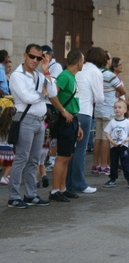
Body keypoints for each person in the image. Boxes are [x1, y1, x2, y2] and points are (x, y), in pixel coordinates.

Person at [8, 44, 58, 208]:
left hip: (39, 120)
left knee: (34, 160)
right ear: (25, 55)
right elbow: (26, 97)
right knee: (21, 158)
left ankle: (30, 194)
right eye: (32, 56)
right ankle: (13, 197)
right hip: (25, 119)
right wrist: (42, 94)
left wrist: (46, 72)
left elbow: (52, 93)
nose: (35, 60)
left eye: (39, 58)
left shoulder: (39, 75)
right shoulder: (17, 75)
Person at [66, 47, 105, 194]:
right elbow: (100, 98)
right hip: (84, 112)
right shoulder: (95, 72)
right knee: (80, 150)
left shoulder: (77, 70)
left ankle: (68, 183)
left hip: (70, 111)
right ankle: (79, 183)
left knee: (70, 150)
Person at [48, 50, 84, 202]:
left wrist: (78, 125)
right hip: (66, 120)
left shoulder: (71, 76)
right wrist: (63, 111)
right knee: (62, 156)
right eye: (83, 60)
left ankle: (62, 188)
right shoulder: (64, 76)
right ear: (78, 62)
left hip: (73, 120)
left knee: (67, 156)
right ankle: (55, 190)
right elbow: (51, 94)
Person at [92, 51, 126, 175]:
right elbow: (121, 90)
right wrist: (117, 92)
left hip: (98, 109)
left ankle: (95, 165)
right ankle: (104, 165)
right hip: (108, 110)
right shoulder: (109, 75)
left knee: (97, 138)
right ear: (106, 60)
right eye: (110, 58)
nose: (111, 60)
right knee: (106, 138)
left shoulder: (96, 73)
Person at [103, 100, 129, 188]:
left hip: (123, 147)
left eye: (119, 107)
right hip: (114, 146)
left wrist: (125, 140)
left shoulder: (127, 122)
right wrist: (112, 141)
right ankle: (112, 179)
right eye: (115, 107)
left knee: (125, 163)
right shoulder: (112, 122)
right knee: (113, 163)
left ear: (125, 110)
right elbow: (107, 133)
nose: (117, 109)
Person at [41, 45, 64, 170]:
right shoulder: (43, 67)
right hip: (43, 103)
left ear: (49, 55)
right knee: (45, 132)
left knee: (51, 132)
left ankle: (52, 158)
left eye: (43, 55)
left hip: (50, 103)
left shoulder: (56, 67)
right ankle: (44, 157)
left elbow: (50, 85)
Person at [0, 107, 16, 185]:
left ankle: (5, 176)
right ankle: (4, 177)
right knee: (10, 163)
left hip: (0, 145)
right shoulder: (12, 124)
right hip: (9, 145)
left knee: (4, 163)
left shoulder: (1, 123)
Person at [36, 108, 51, 188]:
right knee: (42, 163)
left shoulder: (40, 124)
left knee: (36, 164)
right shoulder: (48, 125)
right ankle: (44, 176)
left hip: (39, 147)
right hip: (46, 147)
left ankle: (36, 181)